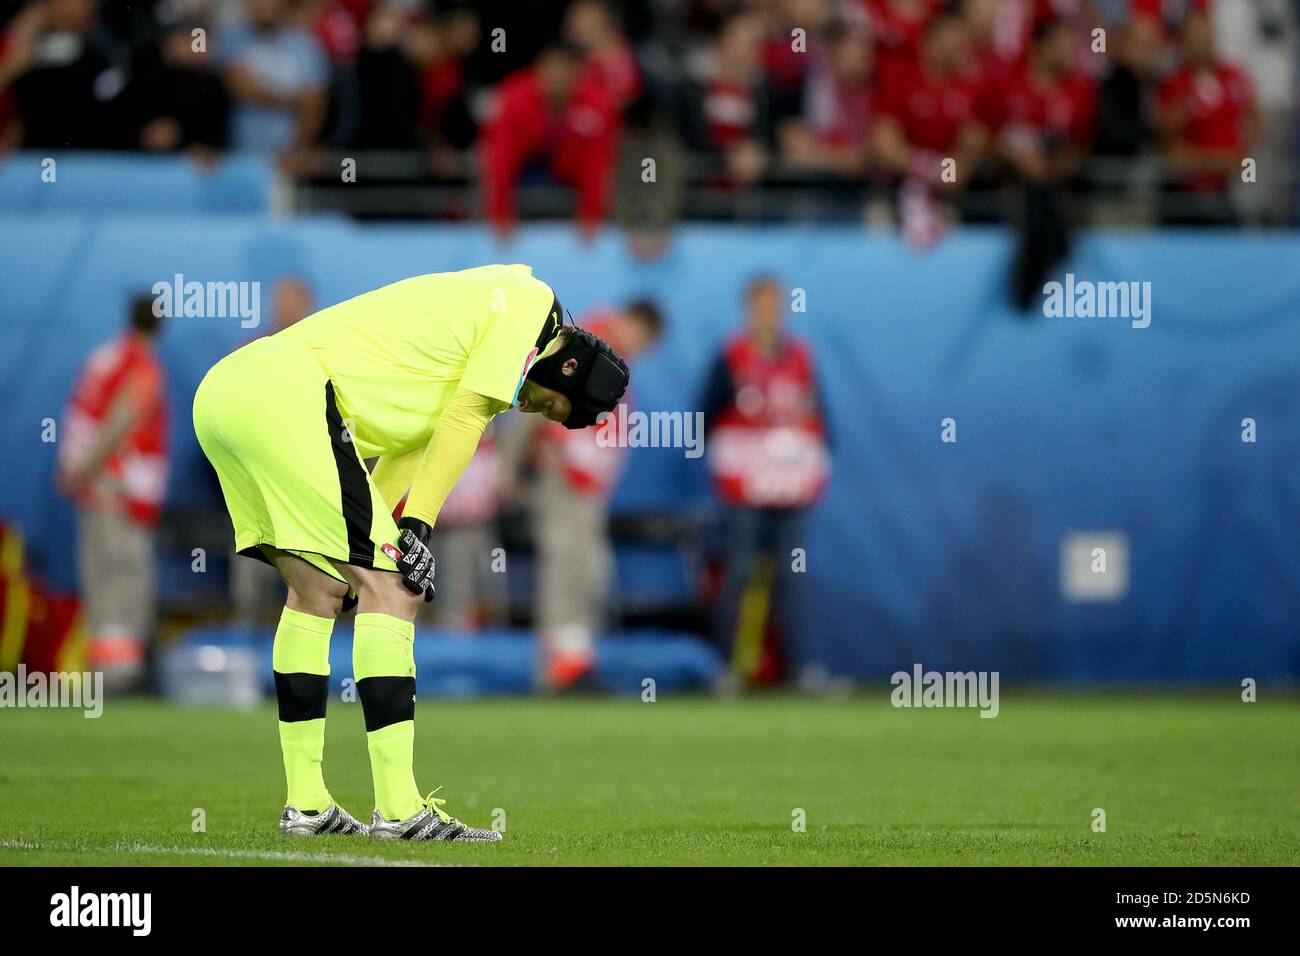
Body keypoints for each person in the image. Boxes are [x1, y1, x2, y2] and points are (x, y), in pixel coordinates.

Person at [192, 264, 628, 841]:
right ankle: (398, 811)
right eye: (552, 406)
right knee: (395, 588)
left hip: (229, 394)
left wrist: (398, 530)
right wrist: (416, 530)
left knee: (318, 589)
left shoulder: (481, 351)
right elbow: (466, 416)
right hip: (287, 395)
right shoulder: (530, 303)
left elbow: (404, 452)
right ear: (568, 366)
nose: (537, 412)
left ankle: (306, 805)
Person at [522, 299, 664, 690]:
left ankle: (575, 656)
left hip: (585, 481)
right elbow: (540, 400)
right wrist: (557, 459)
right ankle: (556, 666)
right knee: (565, 564)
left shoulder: (613, 362)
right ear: (634, 322)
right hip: (564, 476)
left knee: (586, 567)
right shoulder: (586, 345)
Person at [701, 276, 830, 684]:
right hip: (745, 490)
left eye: (775, 304)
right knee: (739, 573)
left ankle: (797, 670)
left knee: (792, 578)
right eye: (761, 304)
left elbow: (820, 418)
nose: (769, 312)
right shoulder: (731, 357)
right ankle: (727, 669)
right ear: (748, 308)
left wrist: (811, 465)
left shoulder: (801, 357)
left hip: (791, 489)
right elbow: (704, 416)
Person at [58, 295, 169, 691]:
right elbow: (120, 421)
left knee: (101, 577)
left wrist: (75, 471)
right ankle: (120, 675)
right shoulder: (140, 366)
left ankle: (105, 672)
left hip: (97, 486)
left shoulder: (104, 357)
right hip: (119, 489)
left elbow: (83, 415)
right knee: (124, 578)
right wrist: (86, 471)